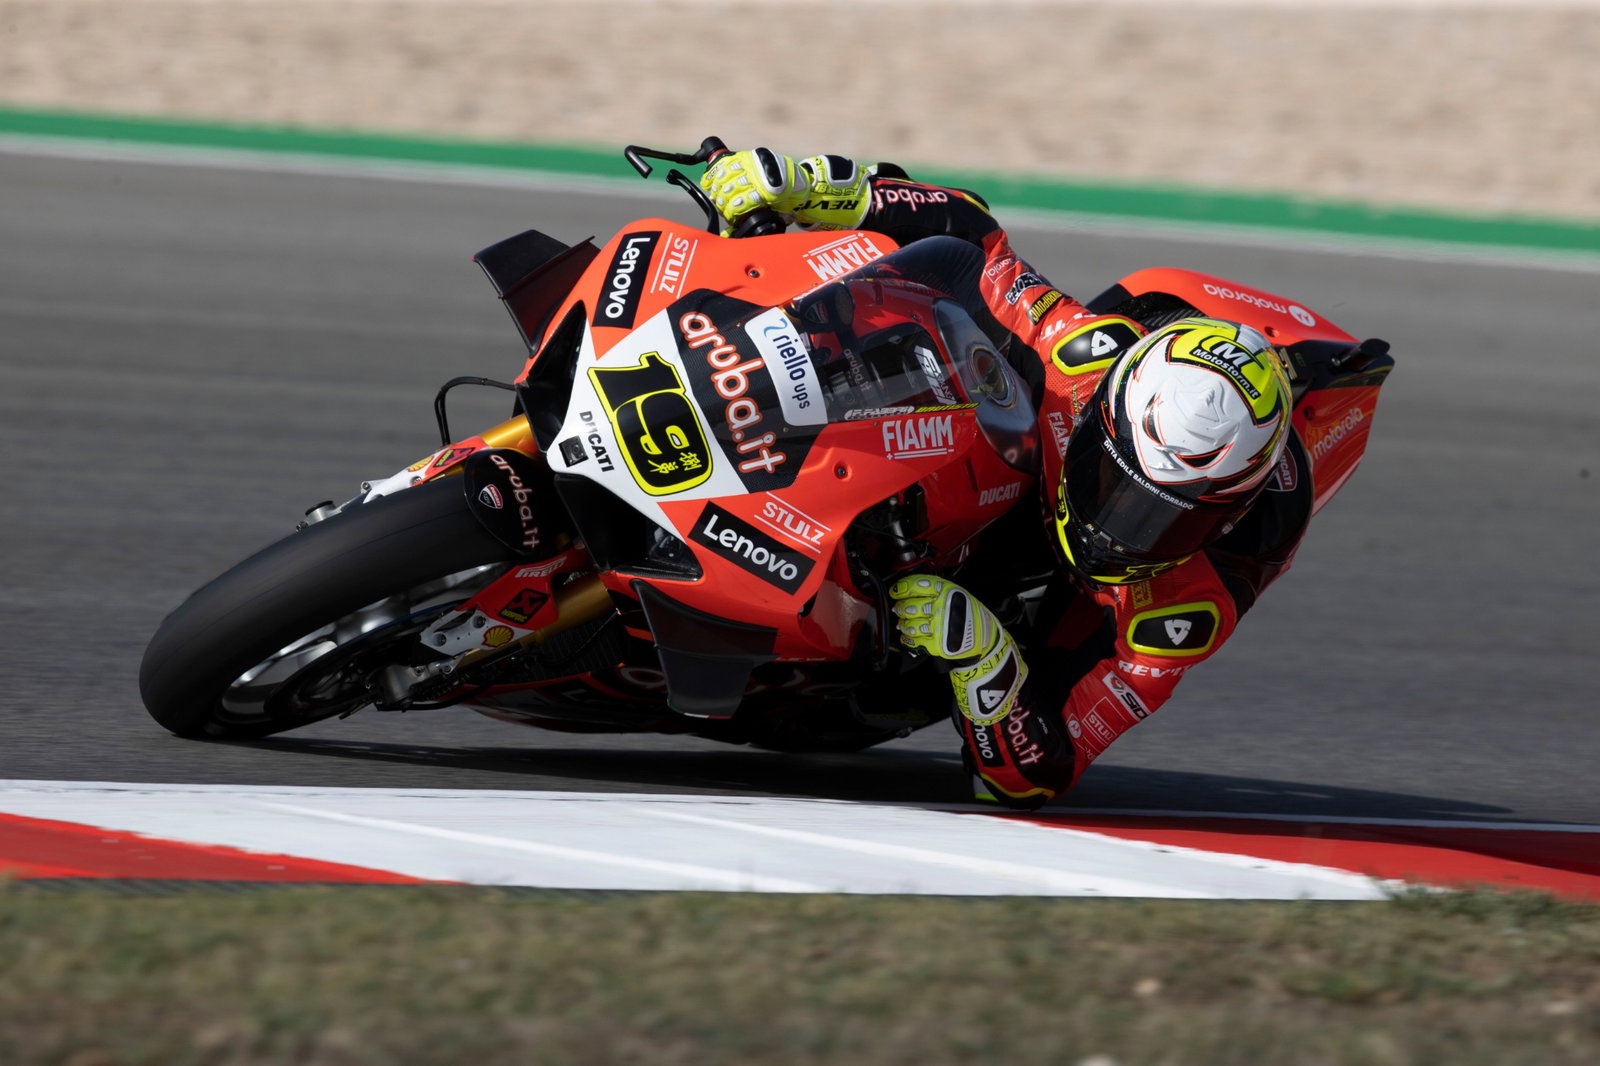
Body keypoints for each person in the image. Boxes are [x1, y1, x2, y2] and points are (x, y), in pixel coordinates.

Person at [700, 148, 1310, 809]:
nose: (1122, 527)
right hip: (1013, 452)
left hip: (1056, 605)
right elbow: (973, 237)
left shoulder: (1181, 612)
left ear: (1222, 517)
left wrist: (984, 658)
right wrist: (814, 186)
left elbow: (1042, 771)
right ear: (1105, 415)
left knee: (987, 674)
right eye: (1116, 482)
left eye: (1168, 517)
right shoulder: (1086, 354)